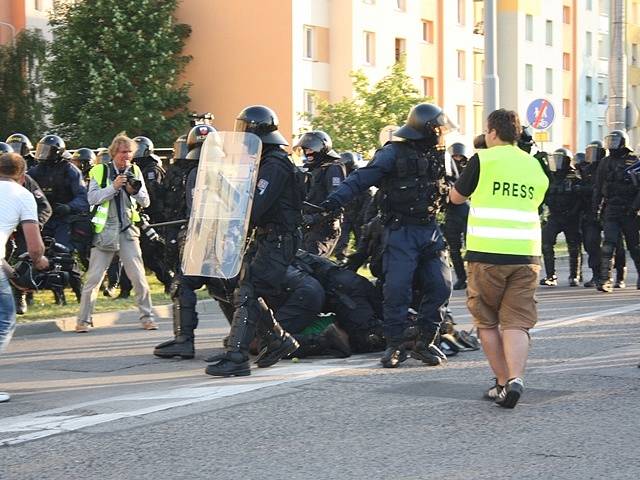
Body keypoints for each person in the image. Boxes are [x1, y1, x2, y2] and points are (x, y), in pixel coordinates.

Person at [321, 102, 454, 368]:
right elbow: (361, 179)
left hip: (429, 228)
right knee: (397, 289)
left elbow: (453, 188)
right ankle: (395, 344)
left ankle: (424, 341)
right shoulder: (392, 153)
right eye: (437, 129)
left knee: (441, 285)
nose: (441, 134)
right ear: (424, 129)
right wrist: (332, 203)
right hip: (400, 230)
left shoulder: (440, 155)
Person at [449, 109, 549, 408]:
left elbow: (456, 198)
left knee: (487, 322)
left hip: (487, 255)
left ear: (492, 132)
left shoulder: (483, 159)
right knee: (517, 322)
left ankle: (503, 383)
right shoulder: (534, 165)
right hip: (526, 254)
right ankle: (517, 378)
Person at [204, 105, 304, 377]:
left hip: (279, 239)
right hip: (268, 237)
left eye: (244, 131)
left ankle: (237, 356)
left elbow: (254, 207)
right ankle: (278, 339)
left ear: (256, 133)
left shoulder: (274, 165)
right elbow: (246, 205)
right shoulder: (264, 162)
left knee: (248, 290)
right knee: (244, 288)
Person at [75, 133, 156, 332]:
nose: (126, 156)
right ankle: (83, 321)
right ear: (113, 153)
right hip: (104, 233)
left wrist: (134, 191)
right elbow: (92, 198)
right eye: (123, 152)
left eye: (129, 152)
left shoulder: (135, 170)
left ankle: (147, 318)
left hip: (128, 231)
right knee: (94, 279)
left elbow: (146, 202)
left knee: (138, 277)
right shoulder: (99, 171)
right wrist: (113, 187)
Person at [1, 152, 49, 403]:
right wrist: (41, 261)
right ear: (21, 177)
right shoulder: (23, 195)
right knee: (4, 320)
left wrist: (13, 276)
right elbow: (34, 247)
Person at [594, 130, 640, 292]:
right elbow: (598, 187)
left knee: (635, 246)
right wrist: (595, 209)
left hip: (630, 211)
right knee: (608, 244)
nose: (612, 144)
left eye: (615, 141)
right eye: (610, 141)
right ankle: (605, 279)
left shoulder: (634, 161)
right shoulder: (605, 163)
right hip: (611, 210)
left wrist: (635, 207)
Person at [27, 135, 89, 251]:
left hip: (64, 220)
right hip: (42, 218)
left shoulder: (70, 170)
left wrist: (68, 207)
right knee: (37, 252)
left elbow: (82, 198)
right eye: (41, 149)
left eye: (47, 150)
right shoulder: (35, 171)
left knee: (61, 252)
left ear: (57, 152)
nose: (42, 153)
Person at [295, 131, 346, 257]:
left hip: (324, 227)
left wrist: (315, 218)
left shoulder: (333, 168)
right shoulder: (311, 169)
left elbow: (337, 203)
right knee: (299, 264)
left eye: (311, 149)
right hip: (308, 227)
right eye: (305, 150)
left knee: (313, 266)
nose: (308, 153)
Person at [539, 148, 583, 286]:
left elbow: (581, 199)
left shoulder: (575, 178)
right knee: (546, 242)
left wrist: (574, 212)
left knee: (574, 245)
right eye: (555, 159)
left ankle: (574, 275)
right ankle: (551, 276)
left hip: (571, 217)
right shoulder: (549, 177)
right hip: (555, 216)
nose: (557, 162)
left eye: (560, 159)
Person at [444, 142, 471, 290]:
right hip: (451, 212)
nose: (457, 159)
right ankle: (461, 277)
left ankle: (471, 277)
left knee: (471, 248)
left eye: (459, 156)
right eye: (454, 156)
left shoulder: (469, 170)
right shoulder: (445, 172)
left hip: (467, 211)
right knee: (454, 249)